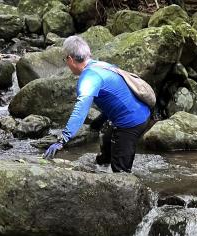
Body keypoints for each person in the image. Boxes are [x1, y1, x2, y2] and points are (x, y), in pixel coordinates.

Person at [43, 36, 151, 173]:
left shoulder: (88, 78)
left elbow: (80, 110)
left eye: (65, 60)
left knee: (121, 173)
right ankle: (101, 169)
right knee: (106, 142)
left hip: (131, 122)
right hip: (142, 111)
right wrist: (97, 123)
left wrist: (62, 140)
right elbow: (116, 98)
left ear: (70, 59)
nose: (66, 63)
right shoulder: (102, 66)